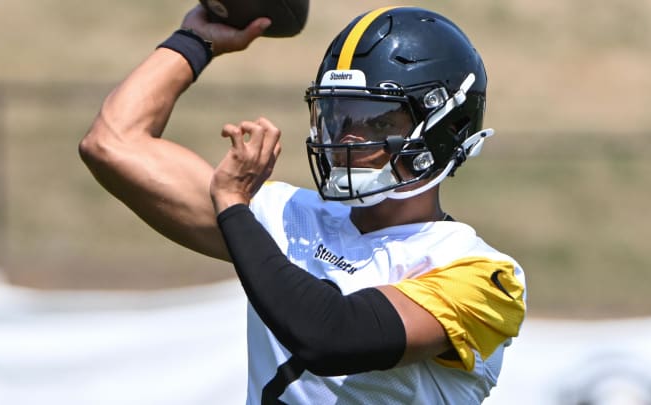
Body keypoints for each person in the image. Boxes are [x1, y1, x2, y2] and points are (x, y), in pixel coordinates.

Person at [79, 4, 527, 404]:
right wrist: (196, 41)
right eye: (338, 115)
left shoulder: (484, 276)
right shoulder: (287, 216)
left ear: (445, 127)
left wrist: (234, 207)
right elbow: (111, 142)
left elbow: (331, 337)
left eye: (374, 119)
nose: (346, 137)